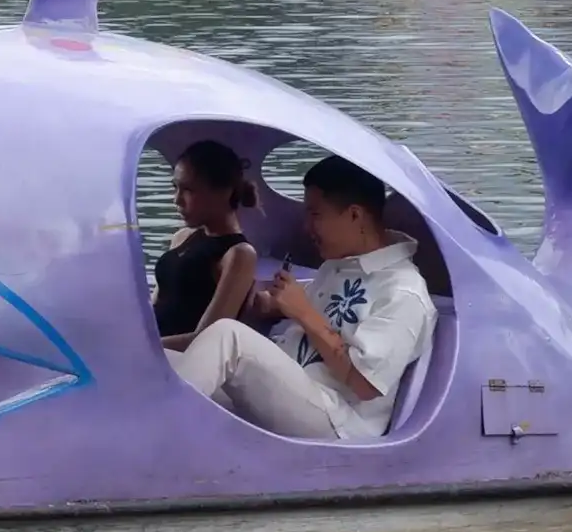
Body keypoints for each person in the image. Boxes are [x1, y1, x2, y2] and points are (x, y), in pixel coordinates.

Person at [168, 155, 437, 443]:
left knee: (227, 336)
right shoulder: (340, 266)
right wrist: (267, 303)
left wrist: (303, 312)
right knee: (162, 359)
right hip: (290, 391)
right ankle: (151, 430)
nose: (306, 227)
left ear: (354, 215)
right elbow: (302, 309)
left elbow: (365, 384)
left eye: (315, 214)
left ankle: (158, 439)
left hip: (338, 420)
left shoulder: (403, 291)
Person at [152, 141, 264, 348]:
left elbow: (207, 340)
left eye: (188, 190)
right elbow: (154, 308)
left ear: (224, 192)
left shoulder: (238, 254)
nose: (177, 200)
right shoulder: (181, 237)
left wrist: (143, 347)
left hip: (179, 359)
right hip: (149, 349)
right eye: (175, 188)